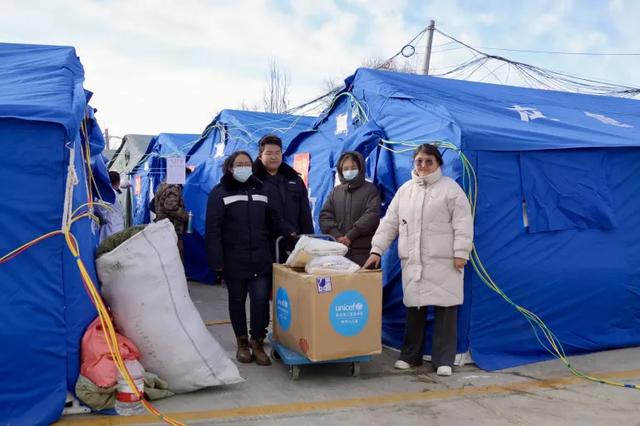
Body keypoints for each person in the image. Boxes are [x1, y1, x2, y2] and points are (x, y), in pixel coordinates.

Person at [363, 144, 473, 376]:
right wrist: (377, 250)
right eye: (419, 161)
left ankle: (444, 360)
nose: (423, 165)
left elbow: (463, 223)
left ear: (438, 164)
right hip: (413, 260)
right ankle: (411, 356)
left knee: (446, 310)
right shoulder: (405, 191)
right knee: (414, 308)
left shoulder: (451, 190)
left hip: (445, 261)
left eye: (428, 161)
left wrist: (461, 253)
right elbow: (390, 223)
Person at [206, 151, 295, 366]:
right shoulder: (220, 193)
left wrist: (290, 231)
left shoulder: (261, 189)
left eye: (247, 163)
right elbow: (213, 230)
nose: (244, 167)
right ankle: (242, 343)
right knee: (237, 302)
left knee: (260, 302)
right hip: (234, 259)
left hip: (261, 257)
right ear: (230, 167)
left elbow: (273, 217)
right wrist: (217, 262)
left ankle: (257, 341)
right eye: (239, 164)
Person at [252, 135, 314, 263]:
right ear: (260, 156)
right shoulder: (253, 181)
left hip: (293, 244)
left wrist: (309, 239)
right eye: (268, 153)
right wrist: (284, 228)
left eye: (277, 153)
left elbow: (305, 213)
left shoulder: (295, 179)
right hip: (264, 246)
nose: (274, 157)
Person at [319, 151, 381, 266]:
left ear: (360, 168)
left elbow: (371, 216)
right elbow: (325, 216)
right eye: (346, 168)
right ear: (341, 170)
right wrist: (337, 236)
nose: (349, 171)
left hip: (364, 254)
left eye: (353, 168)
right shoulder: (335, 192)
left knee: (364, 284)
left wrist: (350, 236)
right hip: (339, 253)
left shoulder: (370, 190)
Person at [153, 168, 192, 261]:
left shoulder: (162, 186)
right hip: (172, 228)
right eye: (184, 175)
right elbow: (170, 206)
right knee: (176, 256)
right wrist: (186, 216)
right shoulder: (173, 188)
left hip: (164, 227)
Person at [96, 171, 125, 242]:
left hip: (112, 226)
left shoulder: (103, 193)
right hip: (113, 226)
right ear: (118, 182)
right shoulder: (110, 194)